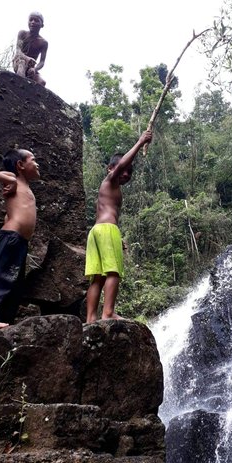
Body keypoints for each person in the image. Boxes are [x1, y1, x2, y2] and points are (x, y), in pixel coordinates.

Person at [85, 129, 153, 323]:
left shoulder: (110, 188)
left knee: (97, 277)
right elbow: (123, 164)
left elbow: (110, 213)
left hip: (97, 231)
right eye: (122, 169)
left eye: (129, 172)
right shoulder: (110, 180)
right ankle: (108, 313)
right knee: (113, 272)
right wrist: (140, 142)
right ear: (110, 169)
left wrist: (119, 238)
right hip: (107, 230)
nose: (126, 173)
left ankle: (90, 319)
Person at [0, 149, 40, 329]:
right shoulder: (13, 178)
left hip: (19, 243)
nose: (37, 163)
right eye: (33, 160)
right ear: (20, 165)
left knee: (15, 285)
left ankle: (3, 320)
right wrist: (9, 179)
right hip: (11, 238)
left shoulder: (25, 185)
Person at [13, 12, 48, 86]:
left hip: (31, 67)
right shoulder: (22, 34)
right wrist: (27, 58)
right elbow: (18, 51)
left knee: (42, 82)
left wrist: (35, 69)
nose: (33, 22)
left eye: (36, 20)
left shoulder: (43, 42)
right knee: (21, 65)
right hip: (19, 61)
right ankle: (19, 87)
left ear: (42, 25)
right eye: (31, 20)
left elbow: (42, 62)